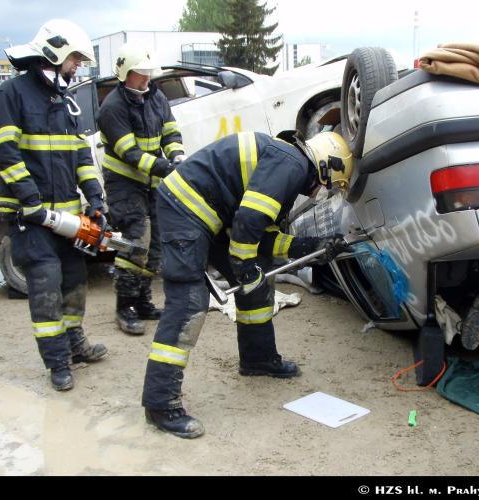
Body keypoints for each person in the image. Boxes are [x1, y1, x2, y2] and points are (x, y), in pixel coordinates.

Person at [141, 130, 354, 438]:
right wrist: (243, 266)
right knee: (188, 302)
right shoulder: (291, 165)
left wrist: (313, 246)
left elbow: (264, 237)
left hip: (213, 215)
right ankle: (160, 403)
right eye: (326, 184)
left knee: (257, 286)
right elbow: (249, 221)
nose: (319, 192)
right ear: (324, 166)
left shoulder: (287, 164)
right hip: (185, 208)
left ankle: (258, 359)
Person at [0, 19, 108, 391]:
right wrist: (31, 203)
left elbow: (82, 157)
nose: (77, 66)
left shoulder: (64, 101)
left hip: (68, 218)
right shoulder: (12, 94)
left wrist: (96, 200)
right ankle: (57, 364)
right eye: (74, 58)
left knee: (74, 283)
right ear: (55, 51)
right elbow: (6, 154)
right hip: (32, 220)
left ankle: (76, 345)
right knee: (45, 289)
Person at [97, 42, 185, 336]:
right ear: (124, 74)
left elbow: (170, 131)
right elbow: (129, 153)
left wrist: (177, 155)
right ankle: (125, 306)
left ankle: (144, 302)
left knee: (156, 244)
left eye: (148, 73)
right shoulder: (112, 107)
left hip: (153, 181)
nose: (146, 79)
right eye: (140, 74)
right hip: (125, 183)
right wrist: (163, 167)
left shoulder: (157, 97)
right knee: (138, 239)